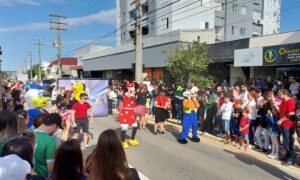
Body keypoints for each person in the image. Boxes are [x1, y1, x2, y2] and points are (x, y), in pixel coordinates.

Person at [34, 113, 63, 178]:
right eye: (58, 128)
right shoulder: (51, 141)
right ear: (55, 125)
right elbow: (51, 168)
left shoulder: (27, 132)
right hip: (41, 176)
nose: (56, 130)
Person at [118, 82, 140, 149]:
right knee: (124, 128)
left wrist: (134, 92)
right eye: (130, 86)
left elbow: (134, 96)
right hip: (125, 112)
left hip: (131, 113)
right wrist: (130, 92)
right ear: (127, 88)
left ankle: (132, 139)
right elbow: (126, 95)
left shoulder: (134, 95)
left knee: (135, 126)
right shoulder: (125, 94)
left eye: (132, 86)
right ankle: (122, 142)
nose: (132, 87)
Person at [277, 89, 296, 166]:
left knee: (287, 142)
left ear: (285, 94)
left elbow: (291, 113)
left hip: (288, 125)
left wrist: (281, 120)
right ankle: (288, 157)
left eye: (280, 94)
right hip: (283, 124)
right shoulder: (283, 101)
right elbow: (280, 111)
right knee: (286, 142)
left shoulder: (290, 101)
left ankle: (290, 159)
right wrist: (273, 102)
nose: (279, 96)